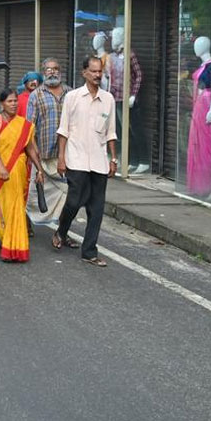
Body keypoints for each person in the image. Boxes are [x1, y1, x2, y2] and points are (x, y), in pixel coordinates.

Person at [54, 55, 117, 267]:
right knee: (74, 201)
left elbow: (111, 132)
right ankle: (62, 230)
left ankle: (89, 251)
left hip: (99, 160)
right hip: (76, 158)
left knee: (96, 208)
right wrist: (61, 158)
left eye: (100, 71)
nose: (98, 75)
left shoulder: (108, 99)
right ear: (84, 73)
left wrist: (113, 158)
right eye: (94, 71)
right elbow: (63, 130)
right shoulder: (72, 97)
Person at [0, 88, 43, 263]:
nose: (13, 104)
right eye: (9, 101)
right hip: (1, 170)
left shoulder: (25, 125)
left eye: (15, 101)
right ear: (2, 103)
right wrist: (2, 166)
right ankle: (7, 240)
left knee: (17, 206)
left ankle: (15, 247)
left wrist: (40, 170)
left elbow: (31, 150)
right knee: (3, 207)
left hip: (18, 169)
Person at [25, 58, 70, 227]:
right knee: (36, 194)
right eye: (48, 69)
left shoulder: (70, 93)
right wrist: (35, 157)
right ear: (43, 73)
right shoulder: (36, 95)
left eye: (55, 68)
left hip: (67, 156)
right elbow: (30, 129)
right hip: (44, 155)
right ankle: (26, 224)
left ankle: (62, 232)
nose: (52, 72)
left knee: (68, 195)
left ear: (61, 71)